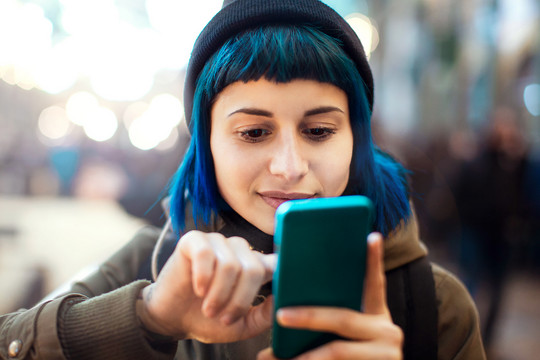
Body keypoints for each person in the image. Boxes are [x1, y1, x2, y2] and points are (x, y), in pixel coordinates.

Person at [0, 0, 485, 359]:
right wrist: (148, 317)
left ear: (357, 139)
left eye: (319, 131)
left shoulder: (433, 301)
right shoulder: (146, 267)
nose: (290, 166)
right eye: (254, 132)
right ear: (206, 146)